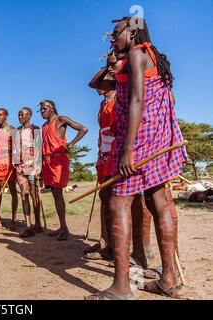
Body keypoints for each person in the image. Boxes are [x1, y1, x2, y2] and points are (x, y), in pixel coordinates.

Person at [85, 17, 187, 300]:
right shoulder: (151, 54)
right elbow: (165, 99)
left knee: (118, 203)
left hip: (139, 138)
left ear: (132, 32)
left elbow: (137, 101)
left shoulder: (137, 53)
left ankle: (121, 287)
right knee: (159, 201)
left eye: (116, 33)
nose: (112, 38)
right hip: (159, 136)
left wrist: (128, 148)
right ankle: (169, 279)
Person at [39, 100, 88, 240]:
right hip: (47, 161)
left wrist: (71, 144)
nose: (42, 111)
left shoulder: (61, 119)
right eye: (41, 110)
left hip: (58, 160)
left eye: (44, 109)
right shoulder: (44, 126)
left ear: (52, 108)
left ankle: (65, 229)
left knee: (58, 193)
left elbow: (83, 129)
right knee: (55, 193)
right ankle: (62, 227)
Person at [0, 108, 18, 230]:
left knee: (13, 191)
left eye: (1, 115)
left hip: (9, 161)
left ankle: (14, 220)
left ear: (6, 116)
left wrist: (16, 161)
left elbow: (17, 147)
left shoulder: (12, 129)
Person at [14, 107, 42, 237]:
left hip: (32, 164)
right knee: (24, 194)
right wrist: (15, 159)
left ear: (29, 115)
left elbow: (39, 147)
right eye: (18, 115)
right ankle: (28, 226)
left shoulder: (35, 129)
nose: (20, 117)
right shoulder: (17, 131)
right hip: (20, 165)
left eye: (22, 115)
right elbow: (17, 147)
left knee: (34, 194)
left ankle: (38, 224)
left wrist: (35, 164)